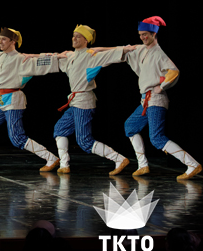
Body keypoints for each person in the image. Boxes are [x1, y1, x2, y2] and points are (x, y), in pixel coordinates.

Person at [36, 24, 134, 174]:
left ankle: (118, 159)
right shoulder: (70, 56)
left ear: (86, 40)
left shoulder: (90, 56)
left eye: (78, 36)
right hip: (75, 102)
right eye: (73, 35)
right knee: (60, 129)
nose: (74, 38)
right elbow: (50, 60)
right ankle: (64, 165)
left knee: (84, 141)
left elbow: (111, 54)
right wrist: (33, 58)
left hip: (84, 102)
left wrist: (126, 49)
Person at [0, 28, 61, 171]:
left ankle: (51, 158)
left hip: (14, 99)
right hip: (2, 99)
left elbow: (42, 62)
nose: (0, 42)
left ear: (13, 41)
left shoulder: (21, 59)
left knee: (17, 137)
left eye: (3, 39)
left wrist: (59, 56)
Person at [121, 16, 199, 180]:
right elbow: (124, 50)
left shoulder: (158, 53)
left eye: (145, 35)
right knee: (130, 126)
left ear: (154, 34)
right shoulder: (144, 50)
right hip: (146, 100)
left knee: (156, 138)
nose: (142, 37)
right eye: (140, 34)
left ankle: (192, 164)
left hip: (155, 100)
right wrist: (99, 52)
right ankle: (143, 165)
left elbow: (174, 71)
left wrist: (161, 87)